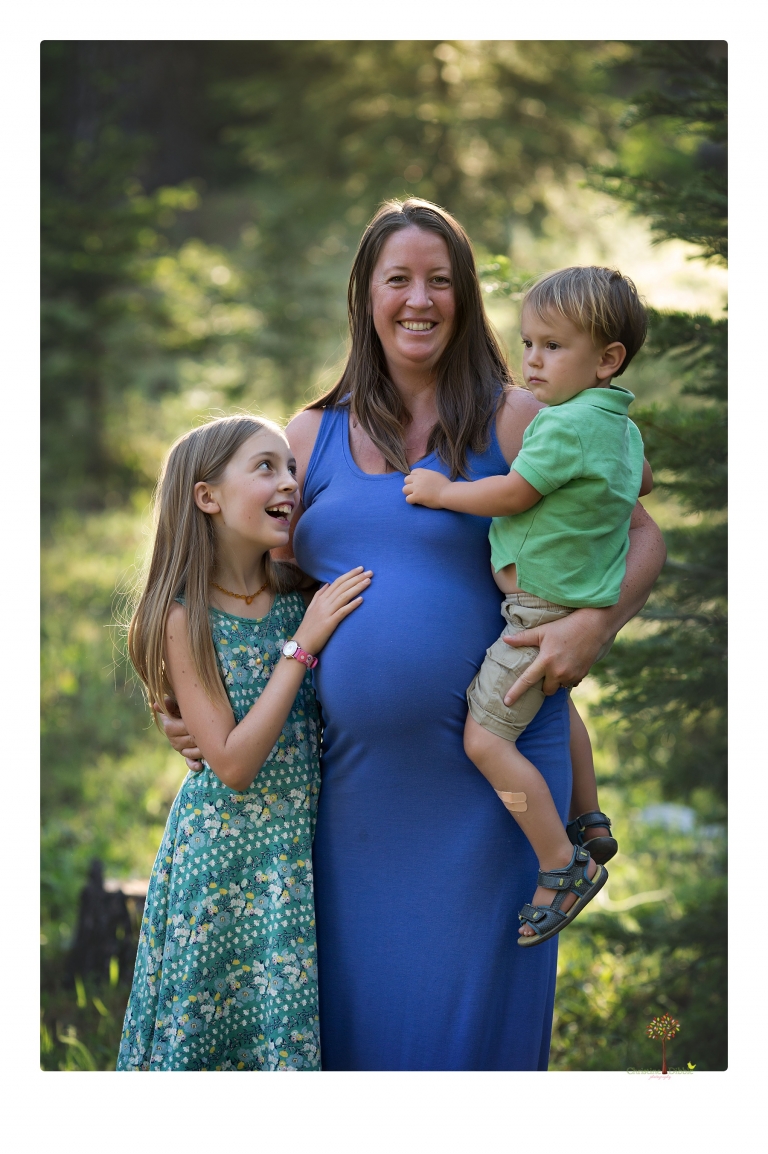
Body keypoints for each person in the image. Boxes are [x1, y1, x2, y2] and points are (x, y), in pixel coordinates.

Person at [161, 198, 666, 1070]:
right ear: (365, 296)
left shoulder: (517, 417)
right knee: (362, 1045)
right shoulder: (308, 435)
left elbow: (641, 529)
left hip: (493, 783)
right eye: (398, 279)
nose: (419, 299)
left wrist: (594, 627)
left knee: (470, 1048)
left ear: (465, 298)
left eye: (440, 280)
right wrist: (207, 701)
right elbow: (259, 577)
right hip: (350, 799)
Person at [404, 264, 652, 946]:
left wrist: (441, 491)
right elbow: (644, 480)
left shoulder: (561, 426)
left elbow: (513, 495)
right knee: (557, 704)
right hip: (564, 605)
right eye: (529, 342)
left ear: (607, 360)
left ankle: (558, 862)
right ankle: (589, 816)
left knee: (486, 741)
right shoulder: (620, 429)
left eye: (553, 346)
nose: (533, 360)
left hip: (538, 613)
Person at [117, 414, 371, 1070]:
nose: (289, 481)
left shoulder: (300, 592)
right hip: (222, 862)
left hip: (293, 859)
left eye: (291, 468)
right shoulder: (185, 613)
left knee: (276, 1045)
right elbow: (230, 762)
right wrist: (303, 647)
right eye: (265, 467)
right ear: (208, 497)